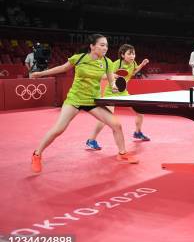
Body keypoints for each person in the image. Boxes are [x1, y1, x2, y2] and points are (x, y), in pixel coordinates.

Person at [30, 34, 138, 173]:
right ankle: (37, 154)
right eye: (102, 45)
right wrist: (39, 74)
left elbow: (111, 83)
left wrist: (115, 87)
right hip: (75, 99)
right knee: (59, 129)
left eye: (106, 45)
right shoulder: (79, 58)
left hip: (93, 100)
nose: (105, 48)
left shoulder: (107, 62)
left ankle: (122, 153)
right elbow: (62, 68)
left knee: (116, 124)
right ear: (92, 46)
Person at [86, 44, 151, 150]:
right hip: (111, 93)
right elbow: (102, 76)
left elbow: (133, 72)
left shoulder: (133, 63)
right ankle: (91, 140)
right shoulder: (116, 64)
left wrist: (142, 65)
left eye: (133, 53)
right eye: (129, 54)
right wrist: (111, 76)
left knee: (140, 112)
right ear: (122, 55)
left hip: (123, 93)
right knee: (105, 118)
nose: (132, 56)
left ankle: (138, 132)